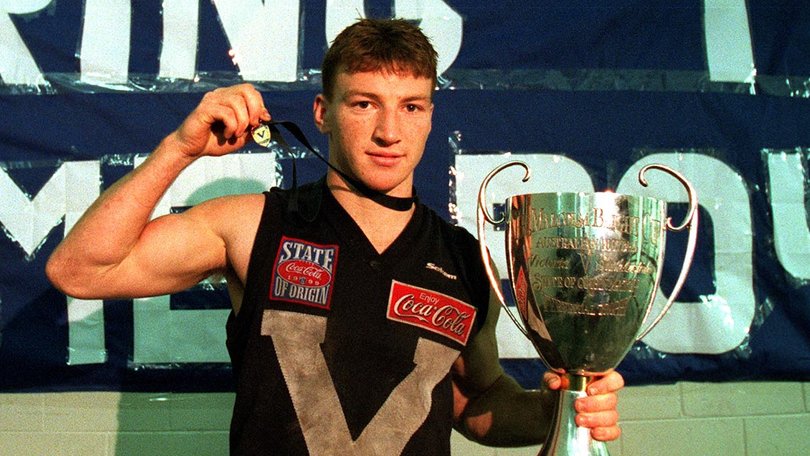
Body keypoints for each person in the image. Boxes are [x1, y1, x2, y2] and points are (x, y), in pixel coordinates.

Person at [46, 17, 624, 455]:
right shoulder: (253, 225)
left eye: (411, 106)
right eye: (365, 103)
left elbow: (475, 400)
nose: (389, 131)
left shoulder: (465, 259)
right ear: (322, 112)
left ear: (430, 116)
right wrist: (179, 148)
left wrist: (564, 407)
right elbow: (80, 269)